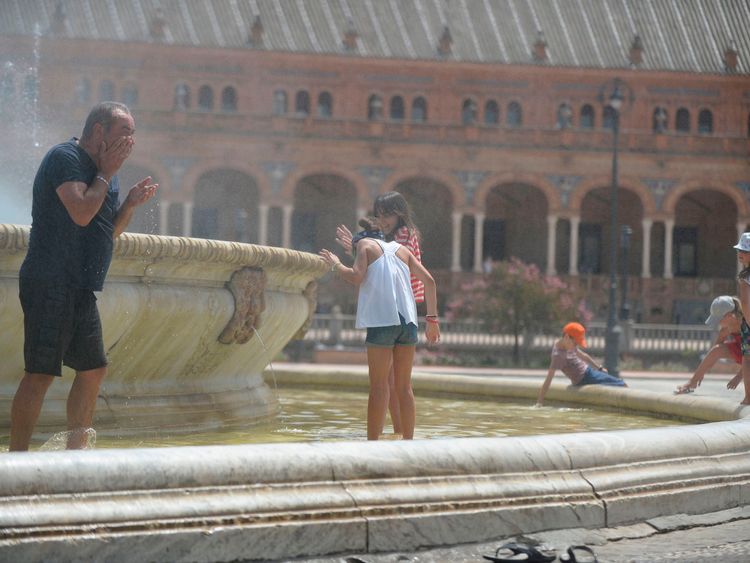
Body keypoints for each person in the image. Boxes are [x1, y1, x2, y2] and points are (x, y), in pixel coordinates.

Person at [10, 102, 158, 451]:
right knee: (41, 373)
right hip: (50, 280)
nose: (131, 140)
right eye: (125, 132)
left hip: (80, 287)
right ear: (98, 132)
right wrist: (105, 174)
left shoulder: (107, 171)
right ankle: (16, 458)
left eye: (133, 133)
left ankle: (75, 456)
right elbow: (79, 212)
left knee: (93, 370)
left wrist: (130, 205)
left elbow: (107, 232)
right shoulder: (66, 158)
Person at [320, 217, 440, 440]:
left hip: (382, 322)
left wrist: (336, 264)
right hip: (408, 323)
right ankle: (408, 443)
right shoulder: (401, 250)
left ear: (360, 241)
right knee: (404, 387)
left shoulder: (364, 246)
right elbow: (430, 281)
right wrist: (432, 321)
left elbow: (356, 277)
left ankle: (372, 444)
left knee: (379, 386)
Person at [335, 191, 423, 435]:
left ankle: (395, 432)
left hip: (395, 307)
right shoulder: (401, 234)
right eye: (379, 215)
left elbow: (388, 263)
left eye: (387, 215)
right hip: (403, 308)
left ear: (399, 213)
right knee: (396, 382)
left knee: (390, 383)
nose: (382, 220)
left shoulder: (402, 235)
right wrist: (353, 245)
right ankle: (400, 433)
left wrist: (355, 247)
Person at [536, 322, 626, 406]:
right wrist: (539, 403)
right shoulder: (558, 355)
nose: (576, 346)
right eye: (575, 343)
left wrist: (599, 368)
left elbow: (583, 356)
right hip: (585, 378)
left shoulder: (567, 344)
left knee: (618, 384)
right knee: (621, 384)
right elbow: (548, 380)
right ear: (567, 337)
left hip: (589, 373)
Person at [674, 296, 743, 395]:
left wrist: (738, 377)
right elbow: (713, 353)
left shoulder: (746, 324)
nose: (718, 322)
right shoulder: (726, 329)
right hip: (743, 350)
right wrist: (701, 373)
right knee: (716, 350)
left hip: (748, 355)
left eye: (719, 319)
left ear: (729, 315)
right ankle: (692, 383)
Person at [734, 233, 750, 405]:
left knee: (747, 359)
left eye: (745, 250)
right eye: (740, 249)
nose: (740, 253)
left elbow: (745, 302)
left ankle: (748, 397)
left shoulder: (745, 277)